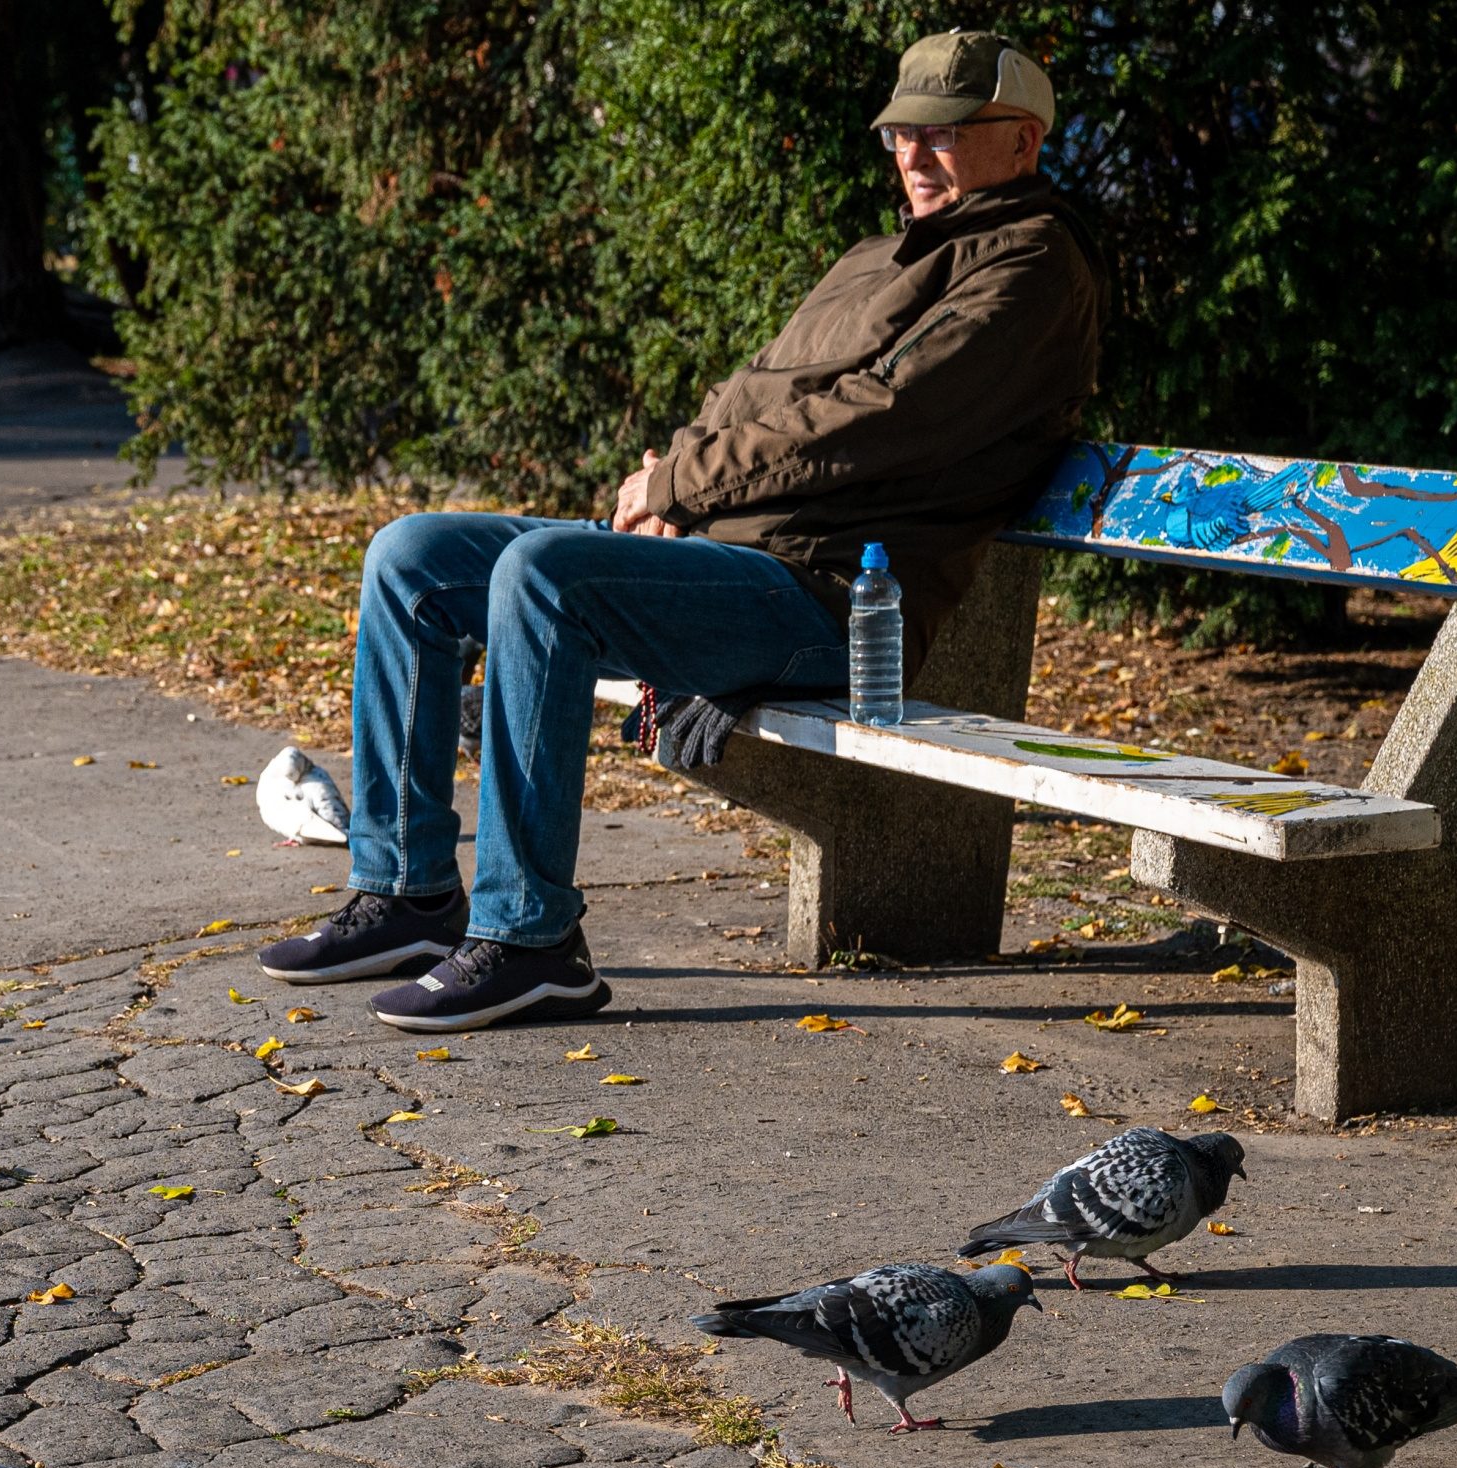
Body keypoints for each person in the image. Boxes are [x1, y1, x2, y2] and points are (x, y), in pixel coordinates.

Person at [260, 28, 1107, 1031]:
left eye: (945, 137)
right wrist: (673, 490)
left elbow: (882, 418)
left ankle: (532, 940)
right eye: (899, 137)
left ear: (1022, 141)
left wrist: (685, 484)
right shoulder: (872, 259)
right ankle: (408, 892)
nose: (915, 159)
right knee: (413, 556)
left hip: (832, 597)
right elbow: (746, 392)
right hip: (726, 559)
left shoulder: (1033, 268)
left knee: (543, 576)